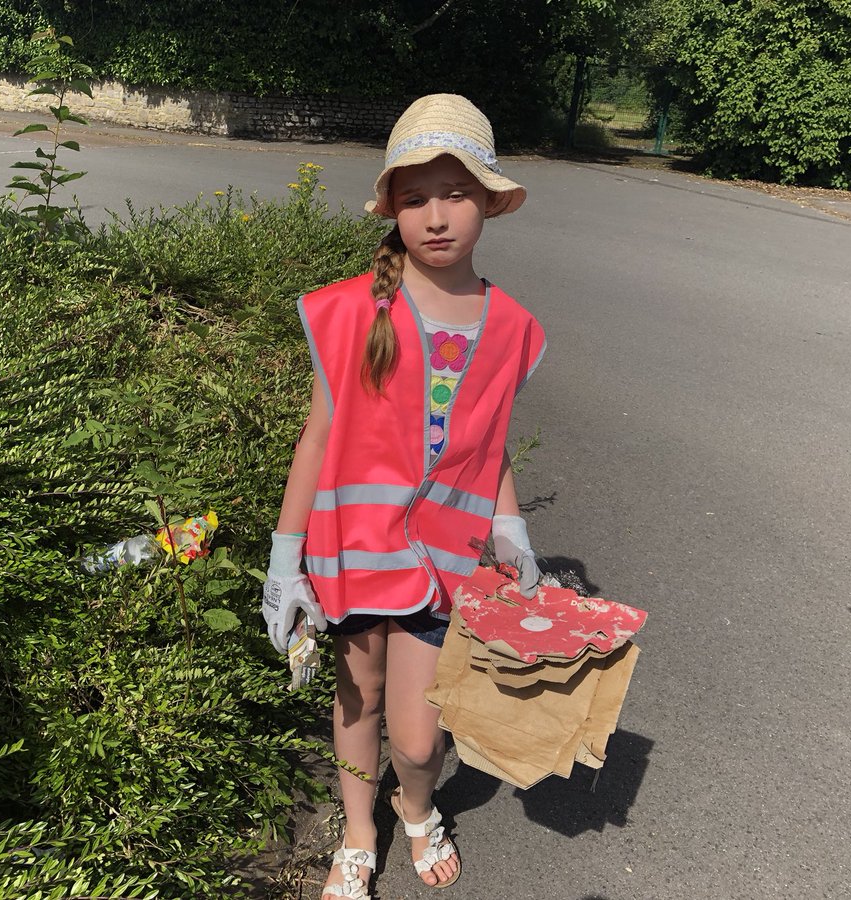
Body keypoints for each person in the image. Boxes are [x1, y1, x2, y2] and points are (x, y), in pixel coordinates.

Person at [261, 94, 547, 899]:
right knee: (360, 700)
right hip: (353, 550)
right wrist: (286, 559)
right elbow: (316, 439)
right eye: (415, 197)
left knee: (420, 740)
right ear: (392, 207)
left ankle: (413, 807)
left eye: (456, 193)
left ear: (490, 201)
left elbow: (487, 451)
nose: (436, 216)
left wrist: (513, 530)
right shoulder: (356, 309)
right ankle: (358, 833)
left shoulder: (511, 325)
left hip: (442, 564)